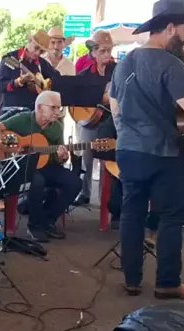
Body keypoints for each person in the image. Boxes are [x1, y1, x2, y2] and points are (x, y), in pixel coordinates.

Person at [109, 0, 184, 300]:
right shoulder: (171, 64)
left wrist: (129, 133)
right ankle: (167, 283)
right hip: (165, 153)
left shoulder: (124, 62)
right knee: (170, 217)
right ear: (169, 27)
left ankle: (131, 280)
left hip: (129, 150)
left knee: (132, 213)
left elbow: (115, 106)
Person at [0, 91, 82, 243]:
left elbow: (58, 157)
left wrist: (62, 157)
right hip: (23, 167)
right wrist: (14, 145)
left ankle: (48, 220)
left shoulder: (57, 127)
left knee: (74, 182)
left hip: (47, 166)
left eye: (59, 108)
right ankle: (34, 226)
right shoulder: (22, 119)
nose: (58, 112)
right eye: (53, 108)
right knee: (37, 181)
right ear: (40, 108)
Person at [73, 31, 116, 207]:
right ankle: (84, 193)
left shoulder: (117, 71)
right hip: (89, 121)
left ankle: (107, 198)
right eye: (102, 51)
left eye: (109, 50)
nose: (107, 54)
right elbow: (75, 99)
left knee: (109, 159)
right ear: (93, 52)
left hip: (111, 121)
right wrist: (99, 98)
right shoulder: (84, 75)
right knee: (86, 156)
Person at [0, 30, 60, 114]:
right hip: (11, 114)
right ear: (29, 42)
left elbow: (58, 78)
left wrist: (46, 88)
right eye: (36, 48)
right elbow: (0, 86)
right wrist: (18, 82)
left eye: (41, 51)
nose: (37, 53)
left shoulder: (42, 63)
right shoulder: (10, 59)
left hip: (33, 114)